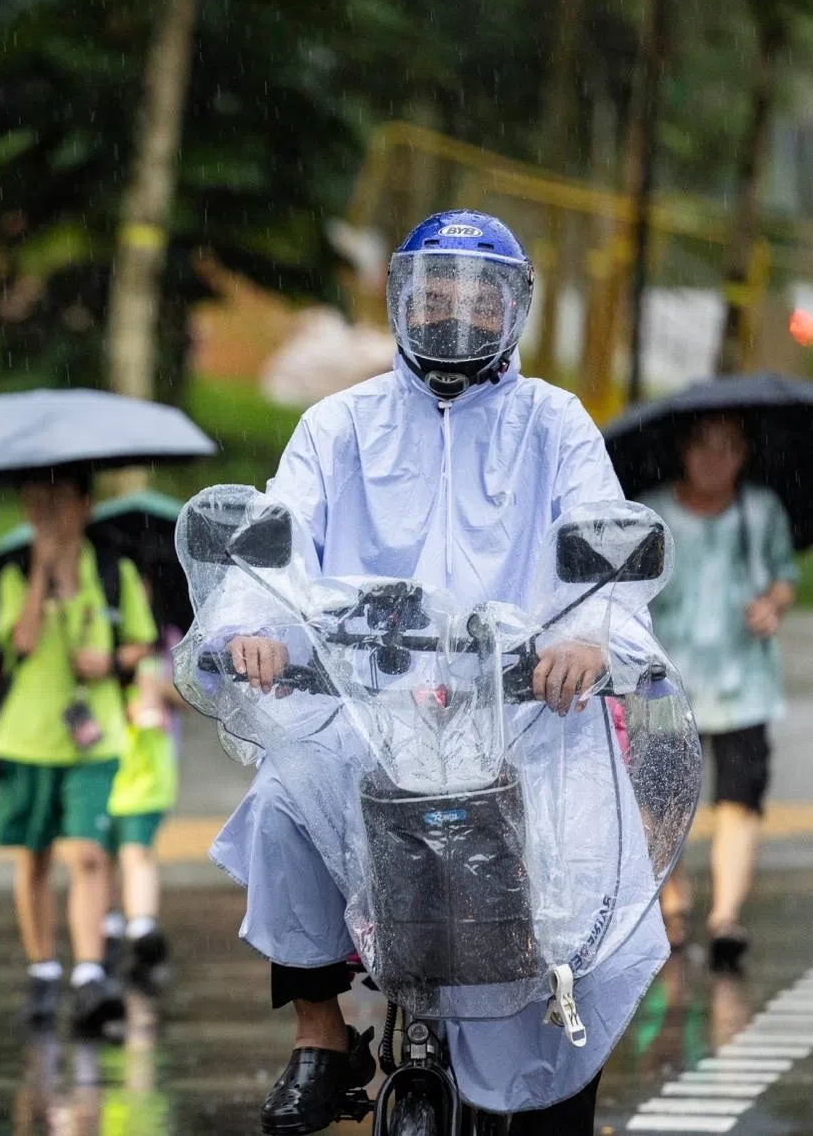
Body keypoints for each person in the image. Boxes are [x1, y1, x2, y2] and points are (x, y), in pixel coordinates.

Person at [208, 211, 672, 1133]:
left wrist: (589, 636)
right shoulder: (339, 424)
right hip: (370, 713)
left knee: (583, 900)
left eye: (478, 298)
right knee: (285, 792)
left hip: (530, 717)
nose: (455, 315)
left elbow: (599, 537)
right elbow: (278, 540)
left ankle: (554, 1079)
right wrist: (258, 625)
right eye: (436, 294)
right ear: (400, 300)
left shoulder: (554, 422)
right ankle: (318, 1032)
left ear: (515, 309)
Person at [0, 470, 157, 1032]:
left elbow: (140, 640)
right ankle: (42, 966)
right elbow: (22, 641)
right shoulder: (13, 571)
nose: (50, 514)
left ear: (85, 505)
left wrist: (108, 663)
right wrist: (41, 570)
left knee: (85, 852)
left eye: (60, 502)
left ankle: (87, 973)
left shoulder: (113, 570)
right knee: (33, 855)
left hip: (94, 738)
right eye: (38, 502)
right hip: (27, 740)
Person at [642, 414, 796, 971]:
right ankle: (671, 904)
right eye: (703, 447)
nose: (715, 460)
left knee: (740, 796)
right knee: (660, 798)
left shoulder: (761, 510)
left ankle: (726, 915)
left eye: (729, 448)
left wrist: (772, 603)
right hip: (661, 683)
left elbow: (784, 574)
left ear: (744, 455)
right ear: (683, 451)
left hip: (743, 685)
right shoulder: (650, 511)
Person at [106, 622, 186, 989]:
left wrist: (158, 692)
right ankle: (108, 923)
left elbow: (192, 693)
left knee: (136, 852)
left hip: (145, 778)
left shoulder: (158, 653)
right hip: (107, 771)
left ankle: (140, 926)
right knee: (102, 855)